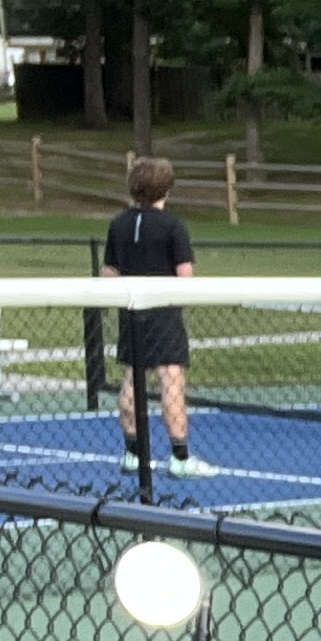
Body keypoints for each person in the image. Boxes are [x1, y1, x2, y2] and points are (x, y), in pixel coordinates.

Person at [103, 157, 197, 476]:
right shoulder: (173, 226)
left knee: (132, 380)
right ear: (166, 190)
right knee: (171, 383)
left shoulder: (118, 224)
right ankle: (180, 458)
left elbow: (109, 273)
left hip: (132, 315)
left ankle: (132, 452)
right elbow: (185, 277)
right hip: (164, 316)